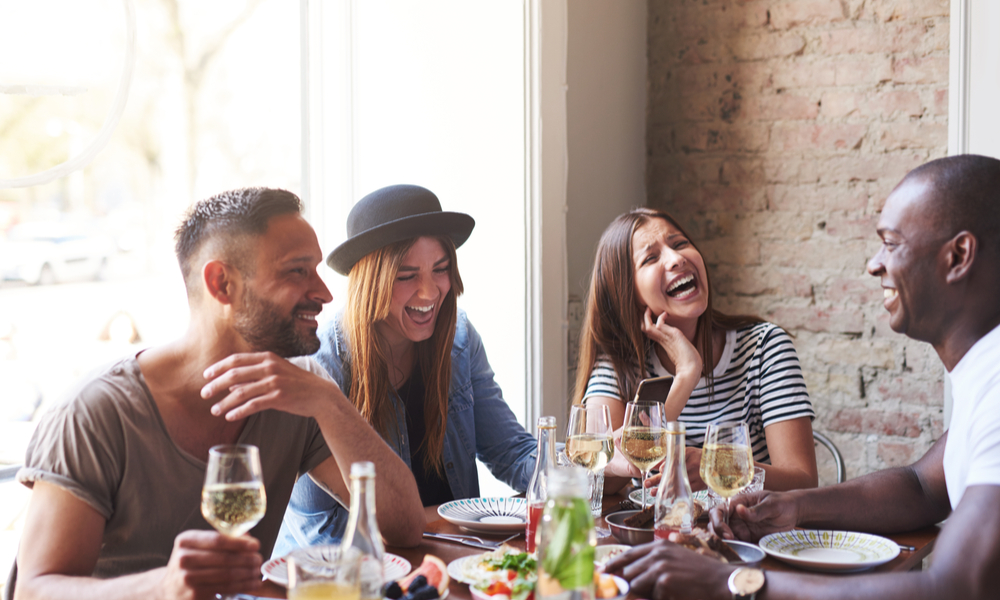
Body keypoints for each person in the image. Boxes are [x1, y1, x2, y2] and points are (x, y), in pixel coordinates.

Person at [606, 154, 1000, 600]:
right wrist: (791, 506)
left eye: (891, 243)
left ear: (959, 256)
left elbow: (955, 587)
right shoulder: (985, 373)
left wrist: (731, 580)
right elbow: (923, 486)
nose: (874, 264)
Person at [10, 188, 425, 600]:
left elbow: (403, 525)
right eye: (298, 271)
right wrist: (163, 587)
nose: (324, 292)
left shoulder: (300, 391)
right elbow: (34, 590)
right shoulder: (95, 413)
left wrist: (330, 403)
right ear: (221, 283)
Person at [276, 184, 537, 553]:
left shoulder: (459, 340)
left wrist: (591, 467)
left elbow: (513, 452)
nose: (430, 292)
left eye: (441, 269)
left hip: (457, 562)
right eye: (406, 275)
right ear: (371, 281)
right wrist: (457, 520)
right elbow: (324, 530)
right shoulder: (320, 366)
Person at [576, 207, 817, 492]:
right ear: (628, 293)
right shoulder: (618, 362)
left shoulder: (764, 348)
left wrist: (715, 466)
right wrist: (686, 375)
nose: (676, 259)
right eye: (651, 258)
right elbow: (590, 479)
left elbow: (803, 483)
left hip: (744, 534)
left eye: (680, 244)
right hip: (652, 535)